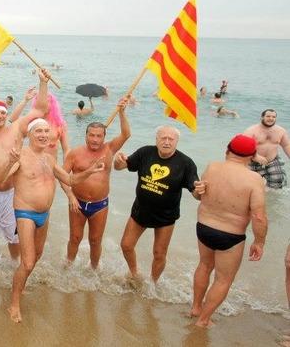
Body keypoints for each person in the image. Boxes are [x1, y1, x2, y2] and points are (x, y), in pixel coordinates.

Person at [4, 118, 104, 323]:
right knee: (28, 261)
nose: (43, 134)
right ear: (30, 135)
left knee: (37, 256)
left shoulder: (49, 158)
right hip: (25, 213)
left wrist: (90, 171)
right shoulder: (20, 155)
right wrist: (10, 163)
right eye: (38, 131)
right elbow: (2, 180)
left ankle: (20, 288)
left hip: (44, 214)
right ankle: (13, 304)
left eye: (46, 131)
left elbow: (70, 180)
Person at [190, 135, 265, 327]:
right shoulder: (254, 179)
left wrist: (198, 191)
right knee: (223, 280)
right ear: (253, 156)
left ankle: (196, 307)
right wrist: (259, 241)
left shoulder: (212, 167)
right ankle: (204, 320)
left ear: (227, 150)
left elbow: (198, 196)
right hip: (230, 235)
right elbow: (258, 216)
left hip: (204, 227)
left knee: (204, 266)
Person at [115, 125, 203, 284]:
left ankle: (152, 283)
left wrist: (200, 191)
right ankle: (134, 274)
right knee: (126, 245)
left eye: (171, 139)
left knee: (159, 253)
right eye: (163, 138)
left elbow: (195, 193)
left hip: (166, 216)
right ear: (156, 139)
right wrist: (117, 161)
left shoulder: (186, 163)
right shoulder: (145, 153)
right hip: (140, 210)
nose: (167, 142)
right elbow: (121, 167)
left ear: (177, 142)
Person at [0, 70, 50, 260]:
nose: (0, 116)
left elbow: (40, 110)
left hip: (13, 192)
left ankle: (14, 264)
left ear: (7, 114)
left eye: (3, 113)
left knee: (14, 237)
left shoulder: (17, 129)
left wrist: (43, 83)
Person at [63, 98, 130, 269]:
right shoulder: (75, 154)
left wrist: (121, 112)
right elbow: (62, 177)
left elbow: (126, 134)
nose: (94, 139)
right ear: (86, 135)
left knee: (95, 240)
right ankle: (68, 267)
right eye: (91, 135)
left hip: (99, 205)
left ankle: (94, 269)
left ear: (104, 137)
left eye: (99, 136)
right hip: (77, 203)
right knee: (75, 238)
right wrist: (70, 196)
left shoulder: (109, 149)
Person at [243, 109, 289, 189]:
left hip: (272, 160)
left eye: (273, 117)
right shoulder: (251, 130)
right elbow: (242, 147)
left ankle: (272, 200)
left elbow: (286, 145)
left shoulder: (281, 131)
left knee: (278, 183)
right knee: (248, 185)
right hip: (252, 160)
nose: (271, 118)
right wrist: (255, 156)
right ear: (262, 117)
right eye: (268, 116)